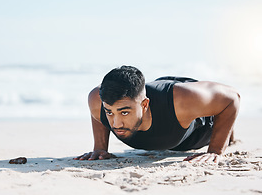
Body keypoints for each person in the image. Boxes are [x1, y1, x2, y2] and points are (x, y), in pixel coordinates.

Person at [75, 65, 240, 163]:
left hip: (197, 126)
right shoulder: (97, 99)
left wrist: (216, 150)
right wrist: (100, 148)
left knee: (217, 112)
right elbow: (98, 112)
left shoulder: (181, 101)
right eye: (109, 112)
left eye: (124, 112)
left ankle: (230, 133)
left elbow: (232, 98)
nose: (116, 124)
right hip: (157, 92)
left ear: (145, 104)